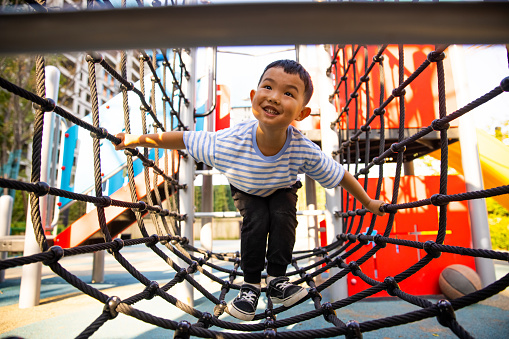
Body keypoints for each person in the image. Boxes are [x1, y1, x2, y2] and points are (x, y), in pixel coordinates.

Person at [115, 59, 386, 321]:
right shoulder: (229, 141)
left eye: (288, 93)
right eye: (268, 87)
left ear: (302, 114)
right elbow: (183, 138)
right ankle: (251, 286)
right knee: (256, 222)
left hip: (282, 186)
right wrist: (135, 140)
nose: (275, 97)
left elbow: (341, 175)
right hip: (246, 188)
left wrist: (368, 202)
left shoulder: (302, 147)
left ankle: (278, 279)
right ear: (254, 95)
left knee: (283, 217)